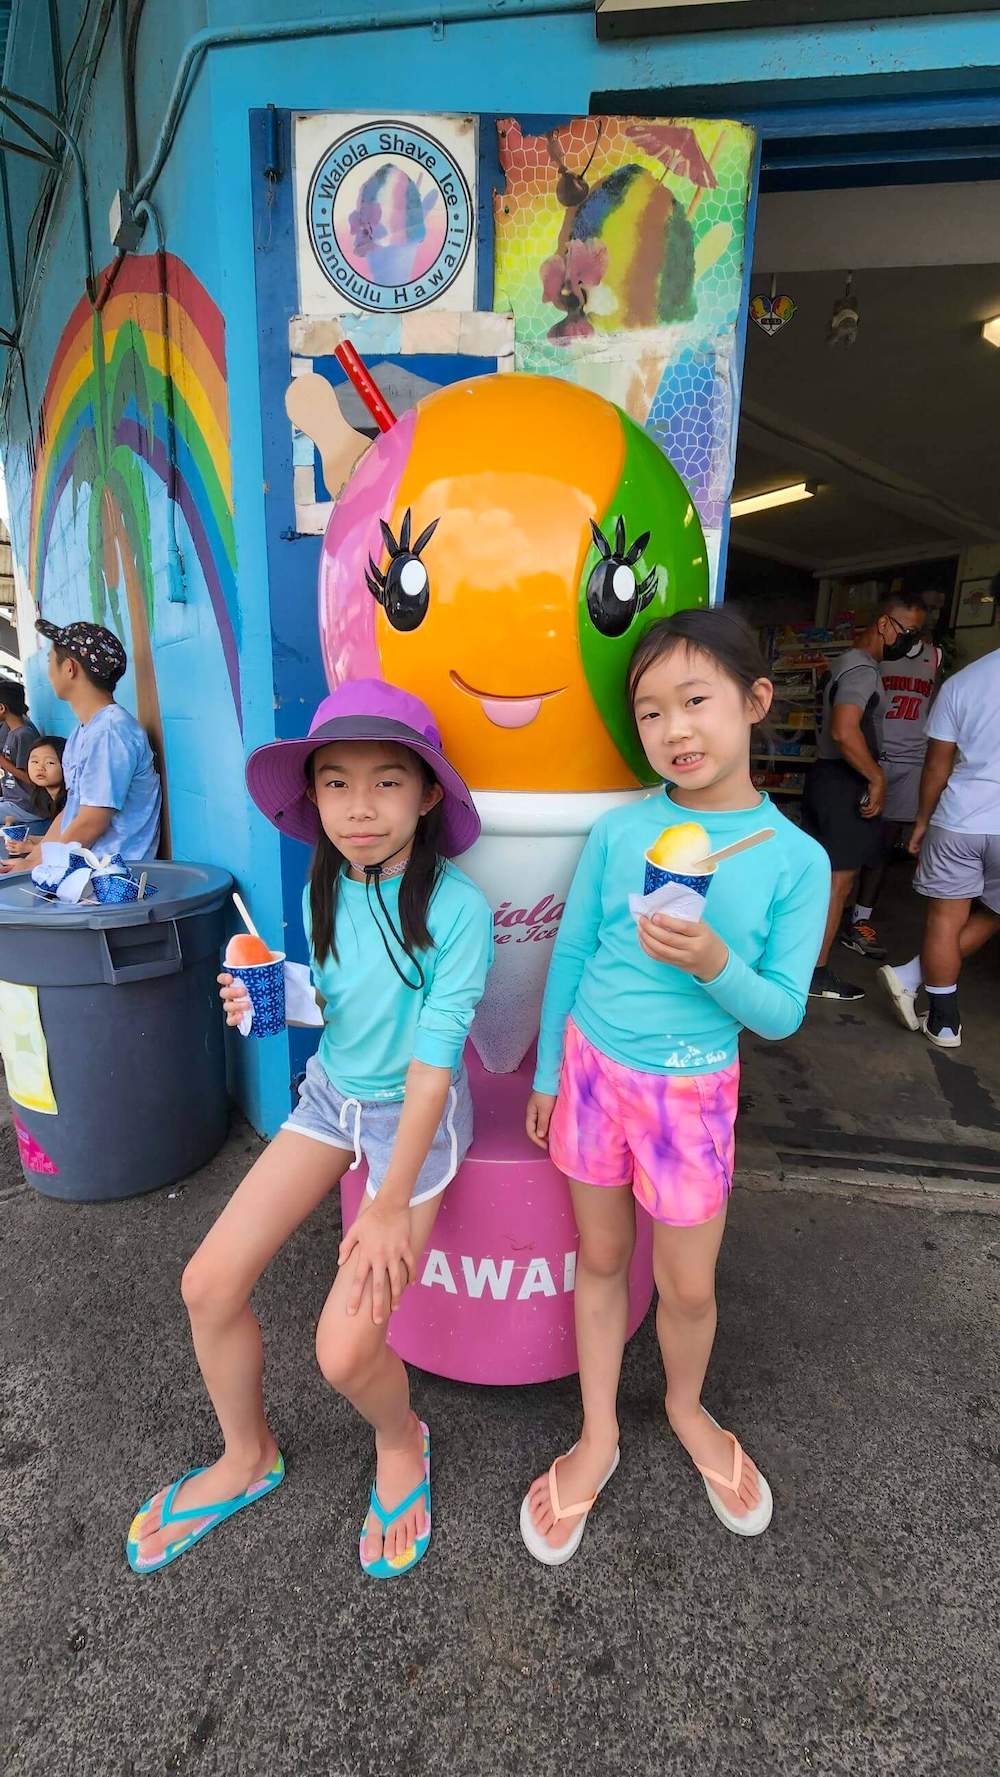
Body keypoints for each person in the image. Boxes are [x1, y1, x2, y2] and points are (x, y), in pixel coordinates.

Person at [125, 680, 493, 1580]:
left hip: (417, 1123)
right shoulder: (326, 883)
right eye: (334, 783)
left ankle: (403, 1444)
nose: (358, 808)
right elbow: (342, 1004)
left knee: (344, 1350)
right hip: (333, 1099)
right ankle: (246, 1456)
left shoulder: (458, 909)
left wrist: (384, 1199)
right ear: (313, 793)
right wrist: (272, 999)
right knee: (207, 1284)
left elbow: (432, 1065)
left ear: (430, 793)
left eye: (386, 782)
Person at [519, 609, 829, 1564]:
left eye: (695, 700)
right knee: (601, 1258)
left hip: (692, 1096)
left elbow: (778, 1012)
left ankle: (686, 1406)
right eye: (651, 713)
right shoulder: (622, 829)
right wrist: (544, 1073)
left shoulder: (795, 859)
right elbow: (573, 950)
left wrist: (712, 961)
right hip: (592, 1070)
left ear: (754, 701)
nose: (674, 730)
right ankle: (599, 1432)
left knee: (687, 1287)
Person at [801, 590, 927, 1001]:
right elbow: (844, 728)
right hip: (843, 781)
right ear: (884, 624)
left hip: (829, 780)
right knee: (838, 883)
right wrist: (876, 777)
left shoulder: (849, 664)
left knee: (823, 880)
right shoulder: (861, 670)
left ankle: (800, 962)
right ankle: (814, 974)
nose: (912, 643)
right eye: (909, 632)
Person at [879, 643, 1000, 1049]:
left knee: (945, 921)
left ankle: (944, 1021)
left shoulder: (962, 683)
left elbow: (937, 764)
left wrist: (922, 822)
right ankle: (914, 976)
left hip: (958, 820)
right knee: (993, 913)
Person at [1, 620, 161, 872]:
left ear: (69, 668)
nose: (48, 672)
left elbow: (90, 823)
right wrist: (29, 863)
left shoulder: (110, 731)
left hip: (111, 881)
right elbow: (70, 814)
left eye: (50, 661)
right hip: (84, 874)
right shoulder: (84, 731)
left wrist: (39, 866)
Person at [841, 621, 941, 958]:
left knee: (883, 846)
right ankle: (833, 908)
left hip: (912, 762)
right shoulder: (874, 655)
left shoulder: (934, 657)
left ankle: (860, 919)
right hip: (874, 757)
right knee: (854, 842)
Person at [0, 678, 40, 824]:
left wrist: (2, 761)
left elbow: (32, 779)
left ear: (2, 708)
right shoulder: (12, 733)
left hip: (25, 806)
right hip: (13, 801)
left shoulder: (24, 735)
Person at [24, 734, 67, 824]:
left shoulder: (73, 801)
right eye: (35, 762)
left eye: (50, 763)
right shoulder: (44, 797)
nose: (40, 768)